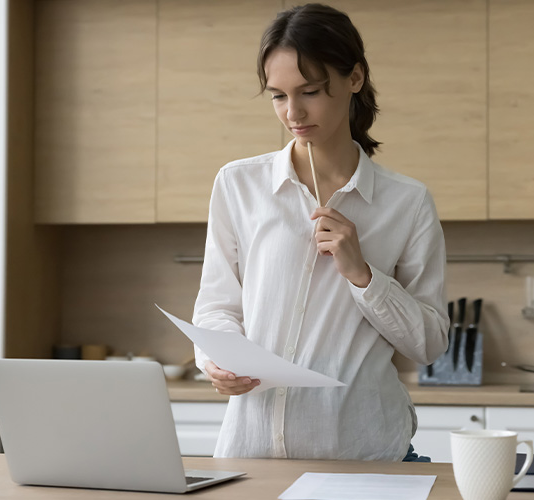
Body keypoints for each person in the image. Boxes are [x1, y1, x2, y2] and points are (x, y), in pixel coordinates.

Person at [191, 3, 449, 462]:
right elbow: (216, 307)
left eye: (310, 91)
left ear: (354, 78)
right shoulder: (238, 184)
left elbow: (428, 344)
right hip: (252, 455)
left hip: (365, 456)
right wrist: (216, 361)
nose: (293, 112)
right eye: (277, 95)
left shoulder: (406, 202)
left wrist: (363, 276)